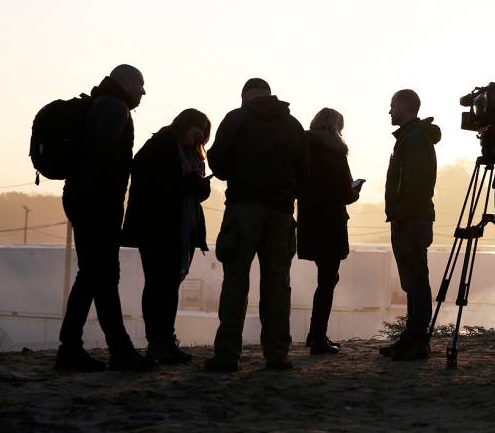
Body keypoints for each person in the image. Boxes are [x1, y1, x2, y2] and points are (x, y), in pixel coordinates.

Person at [205, 78, 309, 371]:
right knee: (277, 283)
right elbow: (304, 171)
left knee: (236, 280)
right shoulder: (293, 125)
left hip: (243, 207)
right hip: (281, 211)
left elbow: (219, 164)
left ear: (245, 97)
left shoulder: (237, 119)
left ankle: (227, 355)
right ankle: (277, 354)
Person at [56, 64, 154, 372]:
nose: (143, 92)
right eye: (140, 86)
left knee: (91, 275)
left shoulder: (101, 105)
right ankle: (118, 349)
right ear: (126, 84)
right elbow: (104, 155)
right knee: (104, 275)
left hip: (84, 199)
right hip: (98, 203)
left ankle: (70, 348)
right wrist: (112, 198)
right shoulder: (115, 108)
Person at [122, 109, 212, 364]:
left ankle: (167, 340)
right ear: (187, 125)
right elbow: (152, 185)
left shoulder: (190, 153)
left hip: (182, 228)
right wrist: (188, 185)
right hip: (158, 228)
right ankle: (157, 342)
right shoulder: (158, 146)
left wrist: (199, 188)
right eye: (199, 131)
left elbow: (192, 191)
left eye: (203, 134)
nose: (201, 137)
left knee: (170, 286)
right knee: (157, 285)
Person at [379, 89, 441, 361]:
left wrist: (402, 214)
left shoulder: (413, 139)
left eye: (393, 106)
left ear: (404, 107)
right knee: (413, 281)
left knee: (416, 281)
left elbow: (415, 183)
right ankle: (412, 338)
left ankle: (417, 341)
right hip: (411, 218)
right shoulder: (412, 137)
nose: (390, 111)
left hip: (411, 220)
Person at [297, 108, 361, 355]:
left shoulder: (303, 151)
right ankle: (317, 336)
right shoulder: (336, 153)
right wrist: (355, 191)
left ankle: (315, 335)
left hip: (309, 221)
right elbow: (345, 193)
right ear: (336, 129)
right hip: (331, 224)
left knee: (324, 280)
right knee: (328, 280)